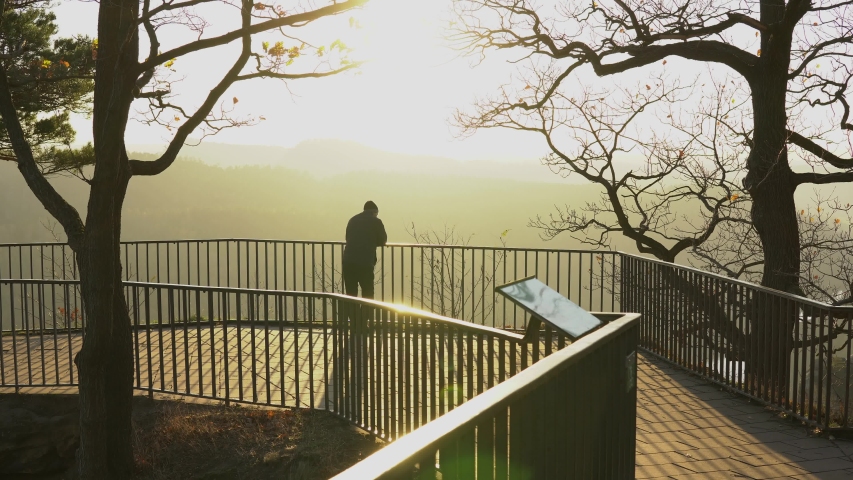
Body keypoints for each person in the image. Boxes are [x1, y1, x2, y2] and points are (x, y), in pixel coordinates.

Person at [343, 200, 387, 299]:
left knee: (351, 295)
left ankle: (353, 314)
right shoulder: (376, 221)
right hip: (365, 262)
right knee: (367, 294)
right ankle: (366, 314)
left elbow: (347, 238)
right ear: (374, 212)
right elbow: (383, 240)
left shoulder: (353, 220)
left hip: (348, 261)